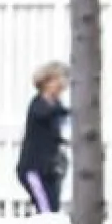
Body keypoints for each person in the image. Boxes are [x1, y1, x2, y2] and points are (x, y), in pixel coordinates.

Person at [17, 61, 71, 214]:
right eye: (58, 80)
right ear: (46, 82)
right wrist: (69, 112)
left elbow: (57, 133)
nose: (62, 84)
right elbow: (46, 114)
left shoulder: (57, 105)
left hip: (50, 170)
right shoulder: (38, 104)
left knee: (52, 209)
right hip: (33, 169)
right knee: (45, 210)